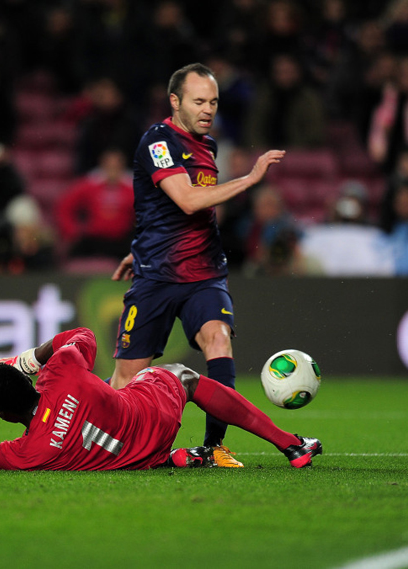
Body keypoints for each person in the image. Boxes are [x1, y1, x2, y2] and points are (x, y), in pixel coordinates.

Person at [109, 62, 286, 468]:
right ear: (175, 101)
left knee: (218, 339)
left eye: (214, 102)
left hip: (205, 272)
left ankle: (212, 448)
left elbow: (174, 212)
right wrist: (250, 178)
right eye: (199, 101)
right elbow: (187, 200)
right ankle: (88, 430)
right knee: (126, 380)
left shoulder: (208, 145)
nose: (208, 109)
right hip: (157, 277)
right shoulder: (158, 142)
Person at [0, 327, 322, 471]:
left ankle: (173, 459)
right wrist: (28, 359)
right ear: (30, 380)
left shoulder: (27, 452)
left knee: (106, 446)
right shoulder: (61, 373)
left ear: (1, 413)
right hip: (152, 419)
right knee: (180, 375)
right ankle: (290, 444)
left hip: (137, 456)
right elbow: (80, 336)